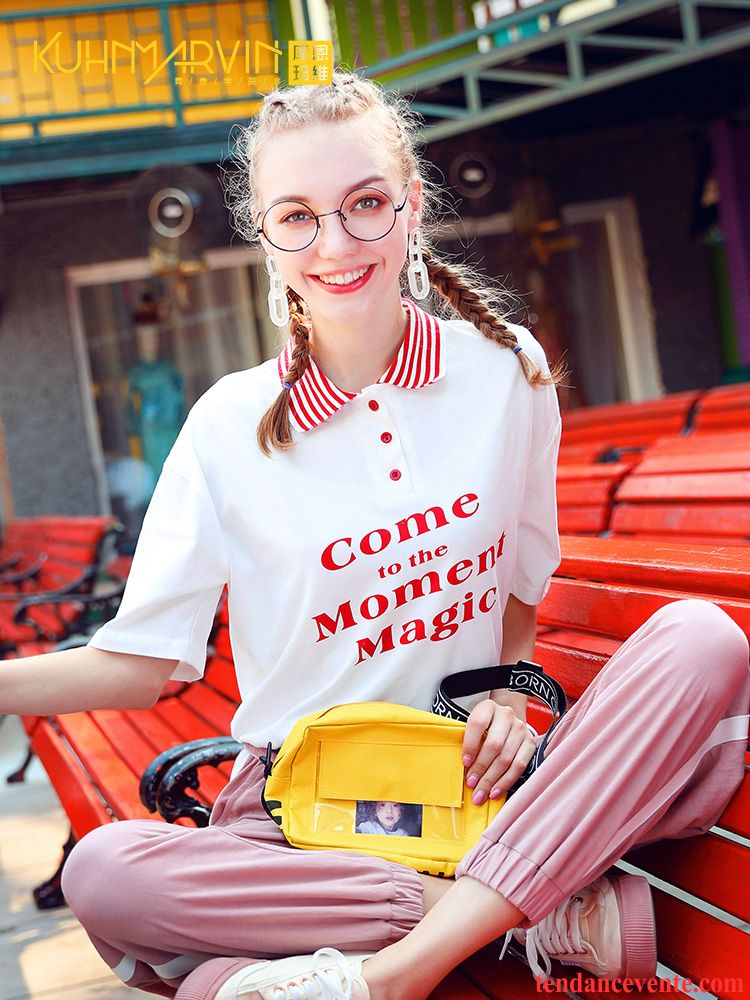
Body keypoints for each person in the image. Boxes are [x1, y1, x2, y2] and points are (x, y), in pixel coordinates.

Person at [2, 70, 748, 1000]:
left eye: (365, 205)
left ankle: (398, 968)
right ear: (266, 238)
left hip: (467, 792)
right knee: (104, 872)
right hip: (291, 814)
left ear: (413, 205)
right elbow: (146, 663)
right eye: (298, 217)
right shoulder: (229, 423)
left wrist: (511, 699)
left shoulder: (506, 373)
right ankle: (537, 914)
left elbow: (520, 585)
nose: (337, 244)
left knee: (704, 638)